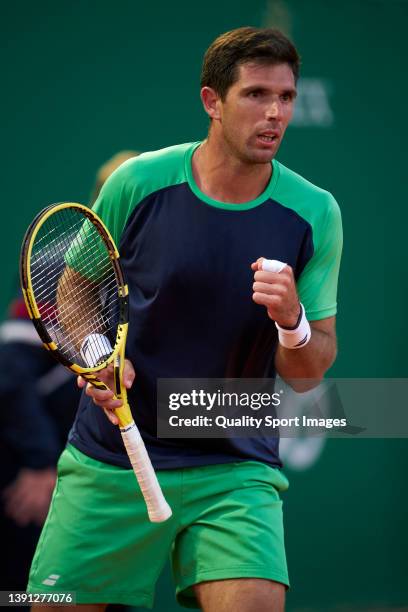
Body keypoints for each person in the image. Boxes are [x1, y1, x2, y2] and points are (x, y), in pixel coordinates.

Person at [28, 27, 342, 612]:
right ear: (211, 102)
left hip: (233, 464)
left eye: (287, 98)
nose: (275, 113)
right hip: (112, 458)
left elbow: (307, 374)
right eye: (255, 95)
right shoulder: (138, 183)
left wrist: (293, 321)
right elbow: (73, 293)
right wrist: (97, 353)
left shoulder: (314, 212)